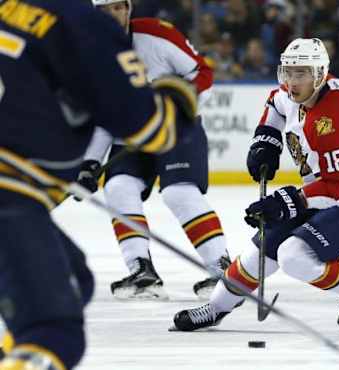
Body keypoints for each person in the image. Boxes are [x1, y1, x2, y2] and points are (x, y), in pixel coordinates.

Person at [0, 0, 195, 368]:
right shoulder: (83, 25)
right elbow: (151, 128)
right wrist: (177, 99)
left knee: (75, 279)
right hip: (8, 191)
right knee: (52, 331)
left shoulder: (10, 8)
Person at [171, 38, 339, 332]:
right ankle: (216, 307)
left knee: (293, 256)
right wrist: (266, 139)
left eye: (301, 73)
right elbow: (275, 104)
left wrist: (284, 202)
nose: (292, 81)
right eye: (289, 72)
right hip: (326, 190)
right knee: (263, 248)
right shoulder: (296, 93)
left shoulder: (330, 118)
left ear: (320, 74)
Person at [79, 0, 231, 300]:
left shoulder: (156, 34)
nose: (114, 15)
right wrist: (89, 164)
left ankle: (222, 268)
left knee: (179, 192)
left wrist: (182, 98)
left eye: (118, 7)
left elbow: (203, 73)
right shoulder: (89, 54)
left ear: (128, 8)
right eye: (105, 10)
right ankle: (141, 270)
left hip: (176, 128)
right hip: (135, 134)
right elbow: (104, 118)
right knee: (118, 187)